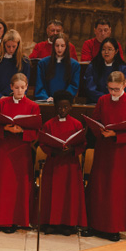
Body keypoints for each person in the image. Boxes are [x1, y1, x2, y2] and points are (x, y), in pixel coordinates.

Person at [85, 71, 126, 241]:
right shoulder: (102, 100)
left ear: (124, 85)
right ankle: (95, 224)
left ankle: (114, 227)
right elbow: (95, 121)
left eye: (116, 89)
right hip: (103, 149)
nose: (113, 92)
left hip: (121, 152)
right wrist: (100, 130)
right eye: (110, 89)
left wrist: (115, 134)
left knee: (116, 190)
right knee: (99, 186)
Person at [0, 73, 40, 233]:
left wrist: (22, 130)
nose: (20, 91)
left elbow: (37, 131)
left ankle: (15, 220)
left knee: (17, 185)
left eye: (23, 88)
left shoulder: (33, 106)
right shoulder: (2, 103)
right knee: (2, 184)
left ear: (27, 87)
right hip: (5, 148)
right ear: (11, 87)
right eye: (16, 88)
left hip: (21, 150)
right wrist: (5, 128)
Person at [38, 91, 87, 235]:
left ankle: (68, 224)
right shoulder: (49, 124)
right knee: (52, 194)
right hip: (54, 163)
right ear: (55, 107)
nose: (62, 110)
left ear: (71, 107)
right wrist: (53, 151)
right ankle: (51, 223)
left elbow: (83, 143)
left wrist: (72, 149)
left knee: (69, 195)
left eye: (65, 107)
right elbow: (43, 143)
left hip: (70, 164)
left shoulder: (77, 124)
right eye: (59, 107)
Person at [0, 30, 31, 101]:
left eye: (14, 46)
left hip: (17, 98)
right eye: (8, 46)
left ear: (18, 45)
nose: (11, 49)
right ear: (3, 45)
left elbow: (25, 83)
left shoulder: (24, 61)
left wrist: (17, 97)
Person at [34, 34, 81, 101]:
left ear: (66, 47)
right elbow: (39, 84)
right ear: (53, 46)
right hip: (47, 100)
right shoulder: (43, 64)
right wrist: (45, 97)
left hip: (65, 101)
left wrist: (62, 98)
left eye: (62, 46)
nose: (59, 49)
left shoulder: (74, 65)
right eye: (57, 45)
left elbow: (73, 86)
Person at [84, 38, 126, 103]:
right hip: (96, 102)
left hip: (116, 102)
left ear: (116, 51)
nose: (106, 52)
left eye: (109, 49)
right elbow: (90, 89)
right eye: (103, 49)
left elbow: (124, 89)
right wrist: (106, 99)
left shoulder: (123, 69)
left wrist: (112, 98)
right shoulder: (93, 67)